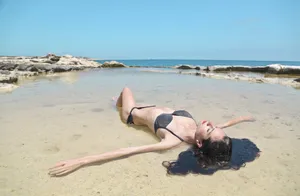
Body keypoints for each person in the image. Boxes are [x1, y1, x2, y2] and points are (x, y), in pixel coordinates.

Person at [48, 87, 260, 176]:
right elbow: (229, 123)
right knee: (135, 100)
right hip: (153, 108)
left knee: (126, 90)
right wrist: (246, 118)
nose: (210, 123)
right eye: (213, 127)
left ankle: (118, 105)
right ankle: (118, 102)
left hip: (132, 115)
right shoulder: (207, 134)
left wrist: (80, 161)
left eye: (209, 128)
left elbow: (128, 150)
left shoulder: (170, 141)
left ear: (199, 143)